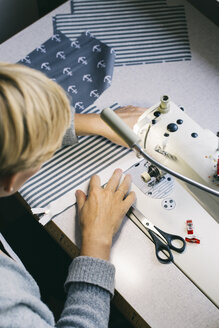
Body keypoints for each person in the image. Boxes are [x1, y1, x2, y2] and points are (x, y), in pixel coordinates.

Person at [0, 62, 146, 327]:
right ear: (11, 182)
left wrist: (92, 122)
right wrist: (97, 241)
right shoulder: (7, 302)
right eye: (41, 153)